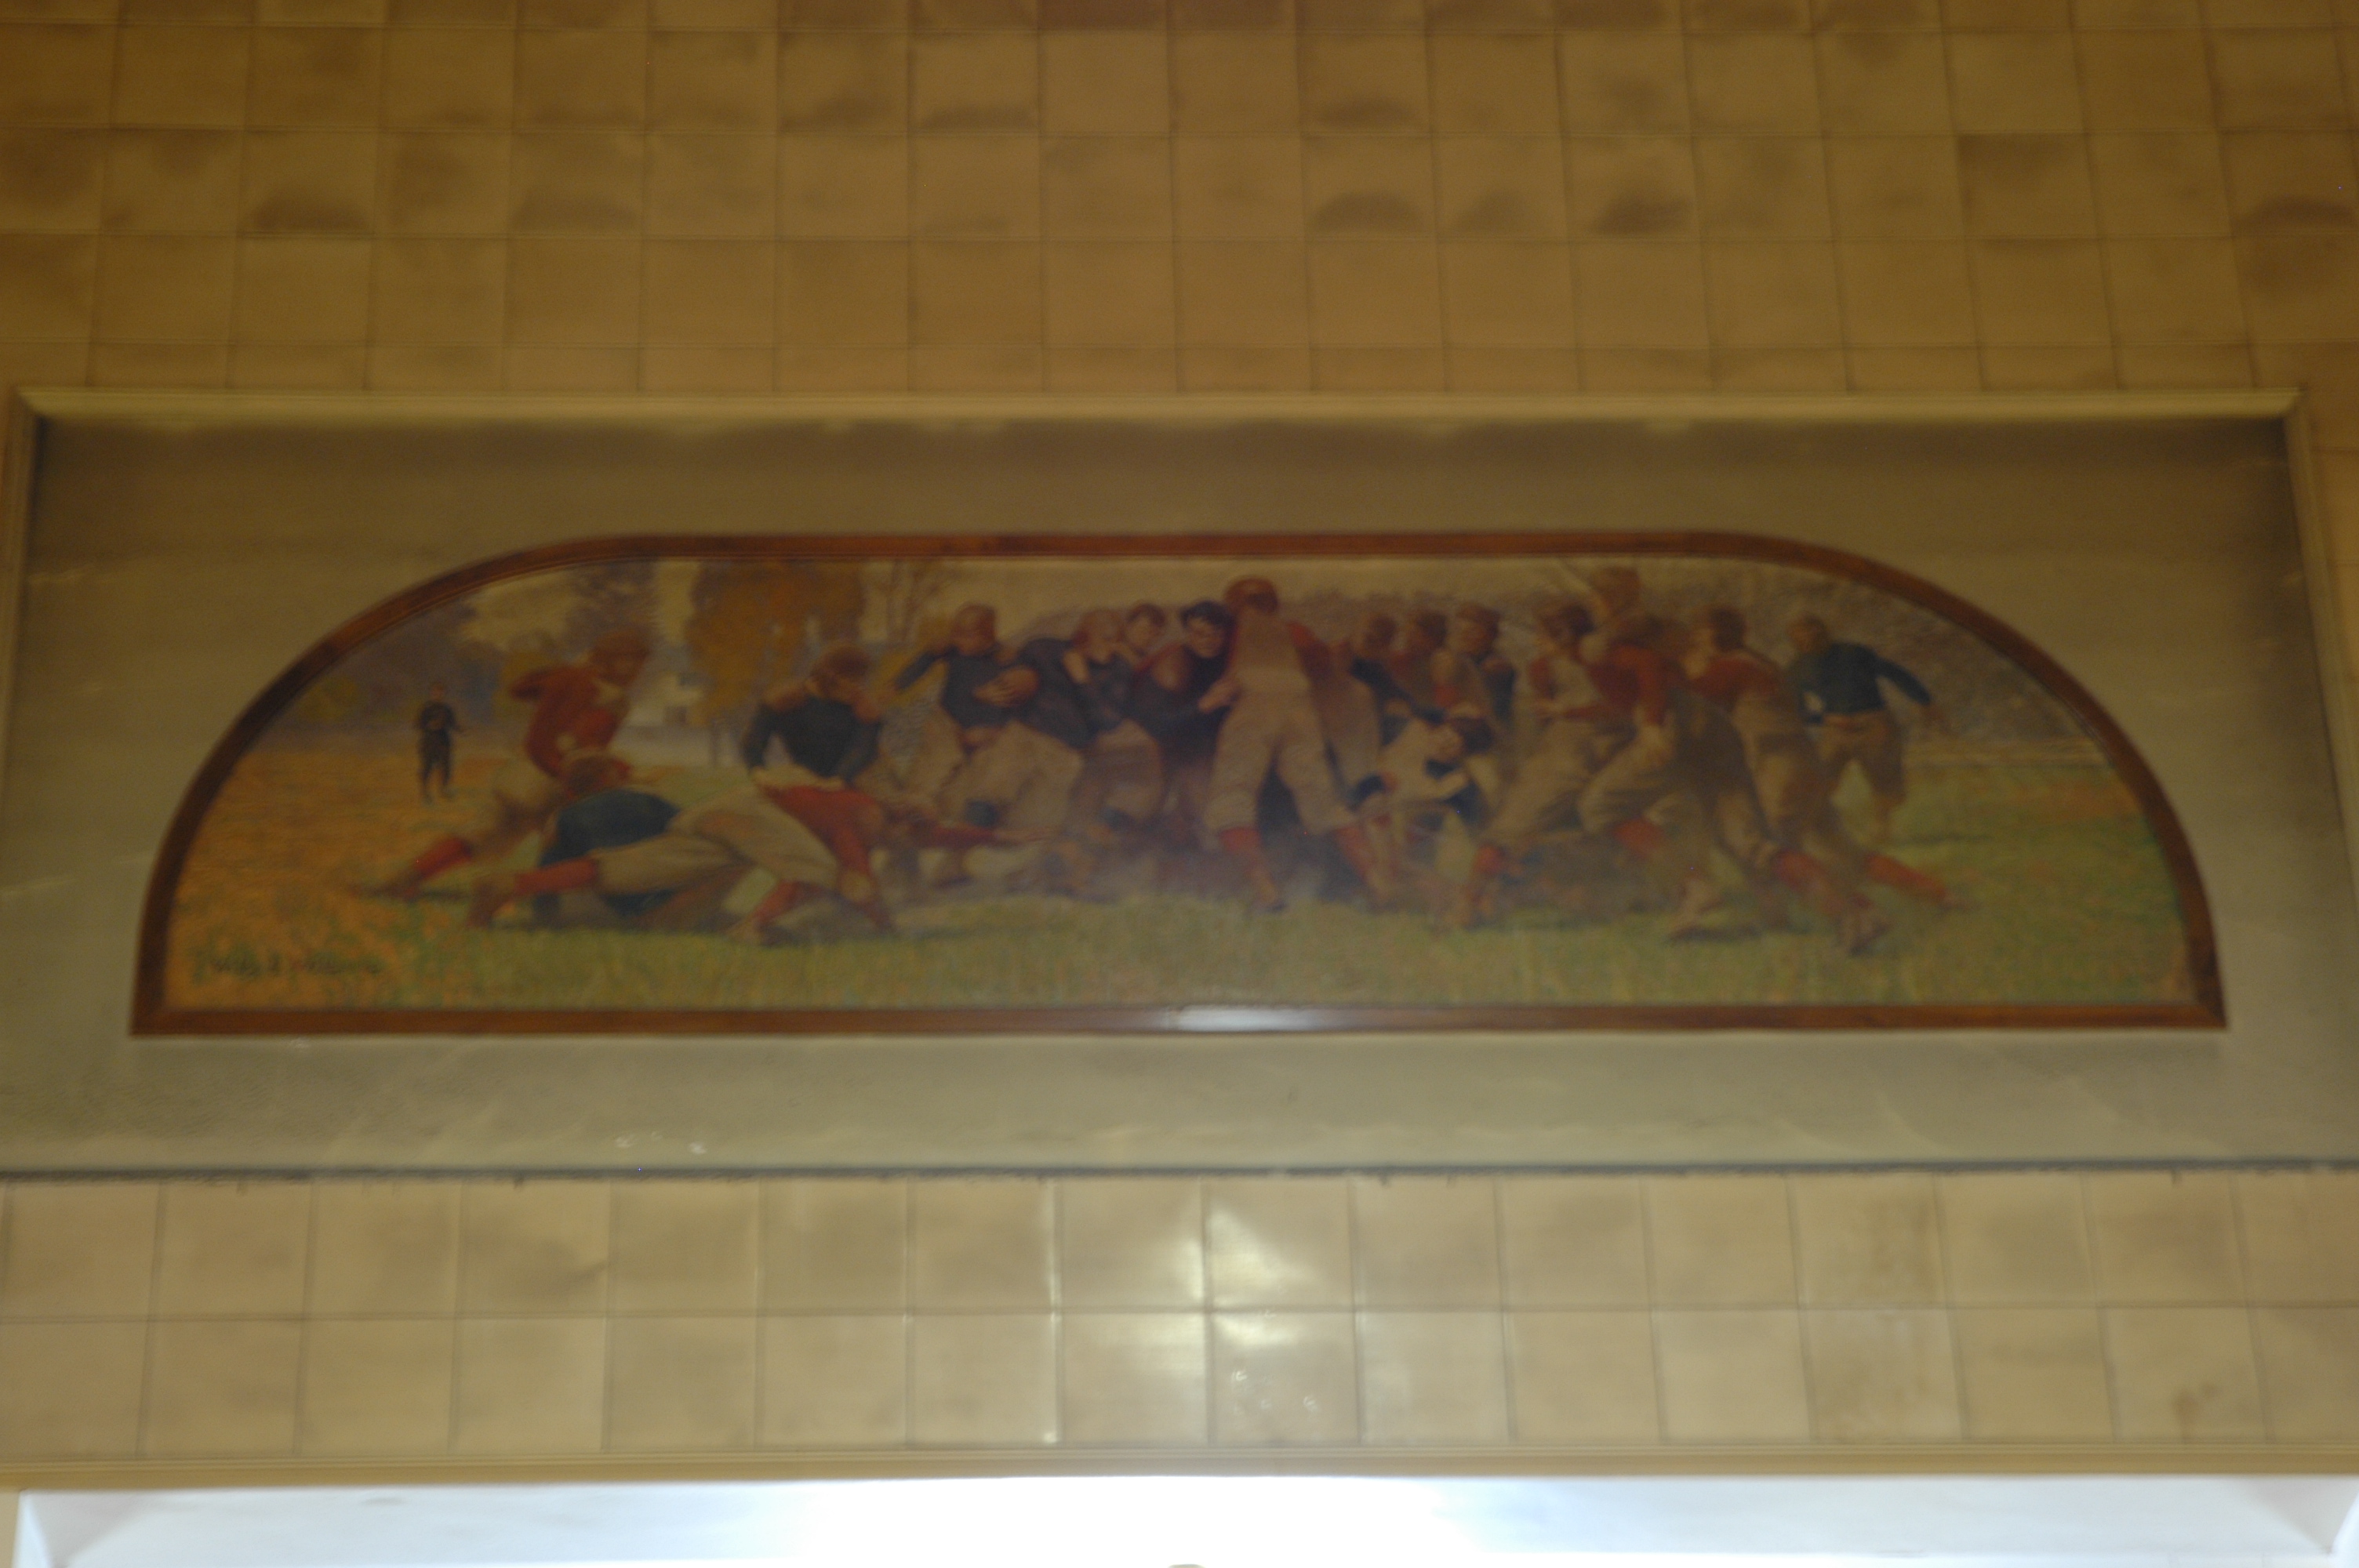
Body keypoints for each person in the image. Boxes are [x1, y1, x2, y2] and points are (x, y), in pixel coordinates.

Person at [1690, 605, 1954, 913]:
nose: (1696, 642)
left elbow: (1691, 704)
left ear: (1715, 636)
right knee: (1843, 850)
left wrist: (1691, 668)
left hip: (1782, 770)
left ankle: (1848, 915)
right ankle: (1937, 894)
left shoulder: (1730, 668)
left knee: (1772, 849)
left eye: (1699, 636)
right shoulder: (1767, 663)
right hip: (1804, 764)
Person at [374, 627, 651, 899]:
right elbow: (580, 744)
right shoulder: (608, 696)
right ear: (611, 660)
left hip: (520, 776)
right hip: (551, 781)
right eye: (629, 661)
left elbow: (520, 689)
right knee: (580, 841)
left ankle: (407, 878)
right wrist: (621, 771)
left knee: (476, 836)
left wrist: (566, 672)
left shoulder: (571, 677)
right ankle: (557, 900)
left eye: (637, 663)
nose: (634, 671)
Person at [1200, 577, 1394, 913]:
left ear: (1234, 605)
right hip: (1299, 710)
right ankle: (1378, 884)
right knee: (1323, 801)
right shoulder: (1294, 631)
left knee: (1232, 796)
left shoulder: (1232, 632)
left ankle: (1266, 893)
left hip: (1253, 708)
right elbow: (1321, 663)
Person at [1448, 599, 1626, 928]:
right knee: (1510, 828)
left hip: (1578, 759)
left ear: (1565, 636)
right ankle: (1474, 902)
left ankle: (1472, 904)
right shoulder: (1546, 668)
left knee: (1513, 830)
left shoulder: (1598, 666)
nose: (1535, 641)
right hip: (1557, 755)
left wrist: (1566, 712)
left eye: (1543, 635)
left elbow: (1618, 710)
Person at [741, 644, 893, 931]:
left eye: (861, 680)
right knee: (835, 836)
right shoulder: (787, 700)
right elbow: (753, 742)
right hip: (804, 783)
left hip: (858, 781)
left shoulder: (862, 706)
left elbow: (863, 749)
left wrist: (840, 778)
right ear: (831, 676)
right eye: (852, 680)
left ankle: (762, 920)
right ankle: (875, 914)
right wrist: (759, 772)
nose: (858, 688)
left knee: (846, 831)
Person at [950, 609, 1133, 841]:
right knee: (990, 792)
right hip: (1023, 737)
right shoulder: (1043, 649)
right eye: (1107, 639)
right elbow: (1004, 683)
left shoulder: (1119, 670)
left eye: (1118, 640)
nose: (1114, 647)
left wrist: (1083, 680)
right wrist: (988, 710)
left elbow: (1109, 721)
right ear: (1084, 636)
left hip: (1066, 754)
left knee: (1037, 823)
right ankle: (959, 851)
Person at [1786, 612, 1942, 847]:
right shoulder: (1797, 668)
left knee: (1883, 777)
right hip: (1835, 729)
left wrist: (1924, 700)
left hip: (1874, 723)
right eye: (1802, 639)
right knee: (1820, 777)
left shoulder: (1854, 654)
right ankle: (1817, 831)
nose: (1809, 642)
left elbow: (1894, 673)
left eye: (1814, 636)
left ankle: (1881, 828)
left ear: (1824, 634)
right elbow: (1797, 711)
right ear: (1796, 642)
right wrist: (1827, 718)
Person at [892, 604, 1017, 814]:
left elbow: (1016, 705)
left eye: (966, 636)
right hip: (947, 722)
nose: (958, 641)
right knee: (934, 761)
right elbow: (926, 659)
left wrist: (991, 732)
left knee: (961, 796)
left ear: (988, 635)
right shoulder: (953, 650)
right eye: (955, 634)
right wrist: (897, 685)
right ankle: (915, 800)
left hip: (982, 735)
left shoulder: (1005, 660)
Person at [414, 682, 460, 802]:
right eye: (435, 692)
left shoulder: (447, 709)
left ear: (443, 694)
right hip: (429, 742)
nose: (438, 695)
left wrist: (461, 729)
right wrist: (429, 726)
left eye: (440, 693)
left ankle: (443, 789)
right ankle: (425, 792)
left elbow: (453, 723)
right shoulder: (426, 708)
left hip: (443, 742)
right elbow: (418, 724)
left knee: (445, 766)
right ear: (431, 694)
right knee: (427, 768)